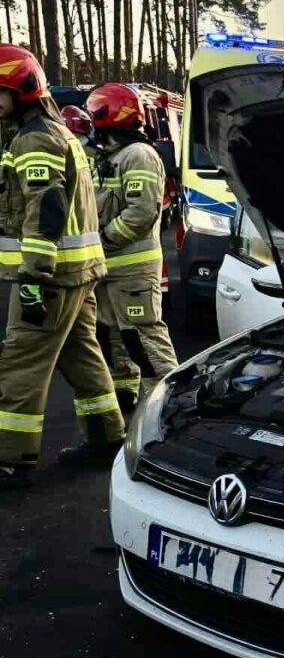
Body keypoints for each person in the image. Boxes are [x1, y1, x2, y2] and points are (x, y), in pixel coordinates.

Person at [0, 45, 124, 482]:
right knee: (81, 355)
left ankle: (9, 455)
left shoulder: (34, 138)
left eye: (0, 93)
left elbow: (45, 206)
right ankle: (107, 437)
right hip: (78, 272)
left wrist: (33, 275)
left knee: (21, 362)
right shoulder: (57, 132)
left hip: (50, 275)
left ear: (23, 89)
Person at [85, 82, 178, 416]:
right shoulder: (110, 157)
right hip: (110, 269)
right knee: (114, 340)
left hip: (132, 268)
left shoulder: (139, 155)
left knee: (142, 338)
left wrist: (103, 242)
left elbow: (140, 213)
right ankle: (127, 405)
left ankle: (169, 407)